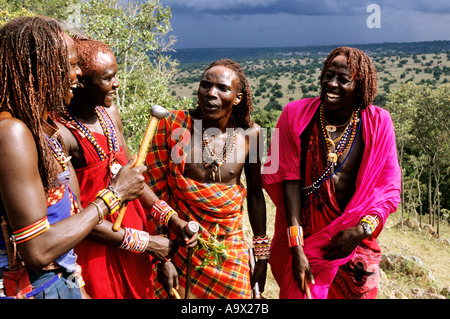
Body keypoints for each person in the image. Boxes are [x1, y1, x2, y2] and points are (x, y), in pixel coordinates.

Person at [0, 16, 146, 299]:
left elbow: (68, 212)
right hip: (31, 289)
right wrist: (114, 195)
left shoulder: (42, 129)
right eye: (71, 65)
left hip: (56, 281)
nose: (79, 75)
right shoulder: (11, 133)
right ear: (39, 70)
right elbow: (37, 249)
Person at [57, 37, 193, 299]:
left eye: (116, 75)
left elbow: (133, 178)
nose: (116, 84)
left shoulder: (111, 114)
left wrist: (172, 220)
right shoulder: (62, 132)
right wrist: (146, 243)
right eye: (108, 78)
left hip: (134, 243)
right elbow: (74, 218)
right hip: (95, 249)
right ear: (81, 81)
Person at [262, 47, 401, 299]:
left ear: (360, 87)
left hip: (356, 241)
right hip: (306, 241)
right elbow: (288, 178)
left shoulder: (379, 123)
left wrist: (361, 230)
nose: (332, 84)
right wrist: (296, 247)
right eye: (328, 76)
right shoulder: (295, 115)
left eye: (343, 79)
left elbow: (389, 190)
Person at [144, 59, 268, 299]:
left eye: (222, 88)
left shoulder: (251, 135)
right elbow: (153, 191)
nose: (211, 93)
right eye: (205, 85)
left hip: (228, 250)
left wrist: (261, 254)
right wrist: (161, 256)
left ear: (238, 97)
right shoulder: (174, 126)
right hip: (179, 245)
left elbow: (255, 194)